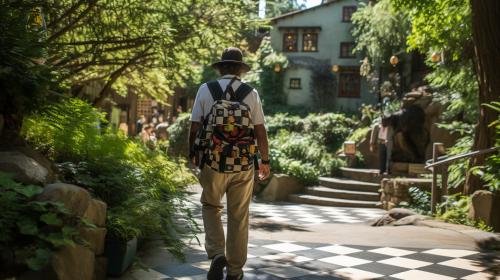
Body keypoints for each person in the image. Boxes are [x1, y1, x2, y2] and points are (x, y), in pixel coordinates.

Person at [188, 47, 270, 280]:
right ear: (240, 70)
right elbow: (260, 131)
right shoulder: (250, 93)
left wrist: (193, 154)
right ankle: (235, 272)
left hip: (213, 161)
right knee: (238, 216)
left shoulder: (206, 89)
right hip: (243, 164)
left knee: (211, 206)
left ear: (221, 67)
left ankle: (216, 254)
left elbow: (195, 126)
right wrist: (264, 161)